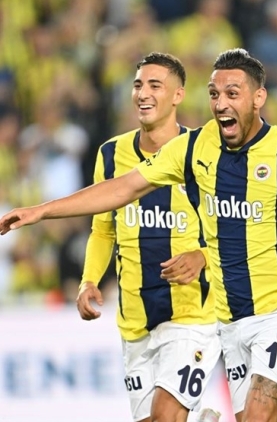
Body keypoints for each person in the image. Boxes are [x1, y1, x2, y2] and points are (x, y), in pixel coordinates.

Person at [0, 48, 277, 422]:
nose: (221, 104)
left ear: (259, 98)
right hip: (227, 318)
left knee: (253, 417)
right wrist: (41, 211)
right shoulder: (194, 148)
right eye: (214, 94)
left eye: (232, 93)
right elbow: (123, 189)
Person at [76, 52, 222, 422]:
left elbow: (238, 227)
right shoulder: (111, 154)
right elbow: (103, 229)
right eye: (138, 85)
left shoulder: (204, 152)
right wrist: (89, 279)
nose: (143, 93)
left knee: (166, 417)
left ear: (178, 95)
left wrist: (203, 256)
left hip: (192, 315)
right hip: (135, 319)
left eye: (155, 85)